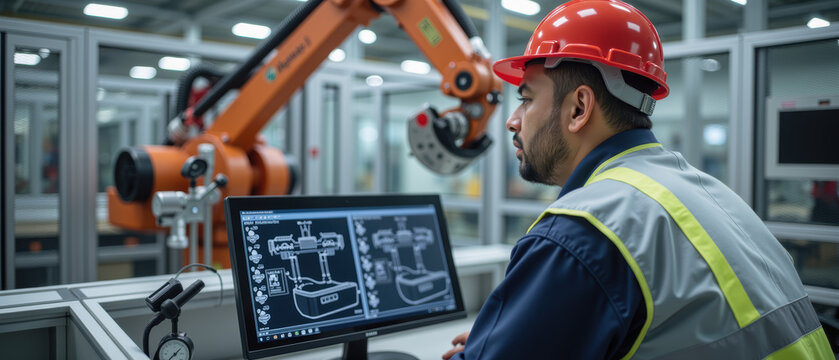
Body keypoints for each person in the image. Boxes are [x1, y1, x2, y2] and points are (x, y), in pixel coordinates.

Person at [442, 0, 833, 359]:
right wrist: (511, 333)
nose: (513, 120)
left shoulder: (584, 233)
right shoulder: (708, 194)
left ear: (579, 107)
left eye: (526, 99)